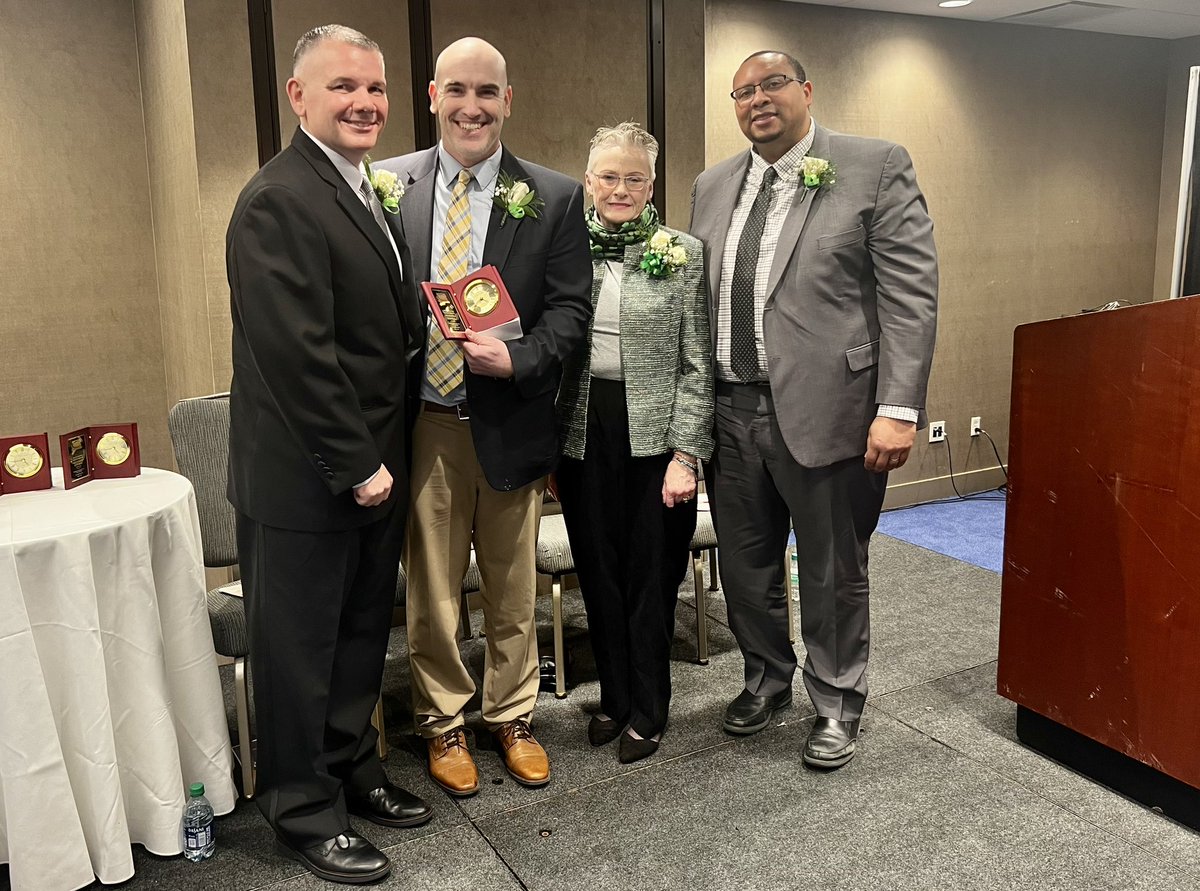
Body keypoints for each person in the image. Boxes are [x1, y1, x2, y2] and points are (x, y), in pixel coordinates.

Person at [689, 50, 938, 768]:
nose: (758, 99)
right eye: (743, 92)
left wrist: (898, 407)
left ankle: (836, 699)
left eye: (773, 84)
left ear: (805, 89)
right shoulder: (711, 184)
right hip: (730, 408)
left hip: (832, 411)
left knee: (831, 568)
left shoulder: (875, 165)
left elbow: (910, 297)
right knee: (745, 565)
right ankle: (766, 677)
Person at [226, 25, 430, 885]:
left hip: (374, 467)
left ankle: (352, 768)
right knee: (299, 651)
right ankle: (303, 809)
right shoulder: (277, 198)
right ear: (298, 95)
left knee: (356, 638)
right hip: (310, 478)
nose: (365, 103)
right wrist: (356, 462)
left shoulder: (358, 186)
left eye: (375, 88)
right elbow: (296, 353)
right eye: (344, 86)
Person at [374, 37, 591, 796]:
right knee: (432, 591)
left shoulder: (555, 196)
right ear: (433, 95)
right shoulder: (387, 185)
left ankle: (512, 714)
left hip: (510, 419)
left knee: (512, 584)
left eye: (488, 92)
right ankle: (443, 722)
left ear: (508, 101)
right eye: (458, 90)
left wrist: (520, 359)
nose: (473, 107)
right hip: (425, 422)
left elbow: (571, 313)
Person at [556, 122, 713, 764]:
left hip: (657, 436)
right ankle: (615, 698)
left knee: (651, 576)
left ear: (651, 185)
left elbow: (698, 364)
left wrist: (686, 457)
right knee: (598, 572)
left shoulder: (683, 253)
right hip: (582, 431)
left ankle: (649, 708)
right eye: (608, 177)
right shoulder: (565, 248)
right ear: (588, 181)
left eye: (635, 178)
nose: (620, 189)